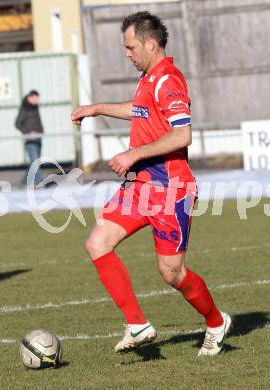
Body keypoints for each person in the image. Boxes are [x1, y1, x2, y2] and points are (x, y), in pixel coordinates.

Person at [71, 11, 231, 356]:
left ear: (150, 43)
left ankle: (216, 322)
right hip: (141, 187)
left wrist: (132, 154)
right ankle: (137, 323)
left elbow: (182, 134)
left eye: (130, 47)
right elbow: (139, 110)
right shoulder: (149, 79)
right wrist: (96, 108)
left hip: (170, 190)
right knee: (97, 243)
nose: (127, 54)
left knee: (172, 274)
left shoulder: (169, 80)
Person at [15, 90, 44, 187]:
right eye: (36, 98)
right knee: (35, 162)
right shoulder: (24, 108)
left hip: (38, 138)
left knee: (34, 162)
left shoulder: (35, 107)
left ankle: (24, 181)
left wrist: (41, 131)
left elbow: (38, 121)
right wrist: (28, 133)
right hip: (30, 140)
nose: (37, 100)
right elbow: (17, 123)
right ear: (30, 98)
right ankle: (40, 182)